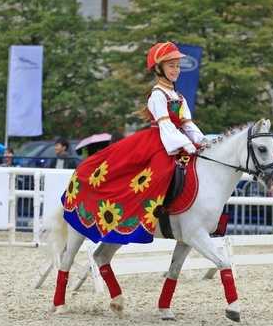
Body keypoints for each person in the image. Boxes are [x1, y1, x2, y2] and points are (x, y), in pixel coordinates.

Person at [62, 41, 208, 245]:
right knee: (159, 175)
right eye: (171, 66)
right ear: (159, 69)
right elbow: (166, 126)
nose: (176, 70)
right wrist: (186, 144)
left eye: (177, 66)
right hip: (159, 142)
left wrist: (203, 141)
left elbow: (188, 124)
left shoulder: (179, 97)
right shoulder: (157, 95)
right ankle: (150, 216)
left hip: (176, 141)